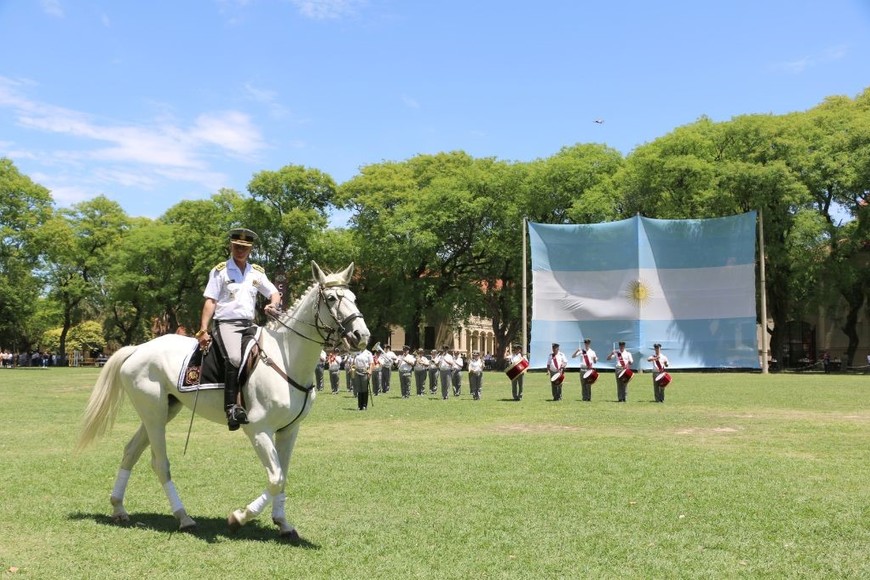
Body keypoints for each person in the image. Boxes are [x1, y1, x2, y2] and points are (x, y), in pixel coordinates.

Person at [197, 228, 281, 431]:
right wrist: (203, 329)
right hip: (227, 324)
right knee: (234, 359)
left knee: (269, 353)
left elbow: (274, 292)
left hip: (249, 325)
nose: (240, 250)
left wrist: (273, 304)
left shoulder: (256, 273)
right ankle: (231, 408)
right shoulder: (220, 271)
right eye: (236, 247)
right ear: (231, 246)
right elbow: (211, 300)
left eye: (244, 247)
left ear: (250, 249)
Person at [352, 346, 374, 410]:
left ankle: (364, 405)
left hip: (365, 371)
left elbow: (371, 364)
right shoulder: (357, 353)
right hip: (357, 371)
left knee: (364, 389)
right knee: (359, 389)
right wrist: (353, 371)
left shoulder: (368, 353)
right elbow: (353, 363)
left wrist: (370, 372)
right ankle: (359, 406)